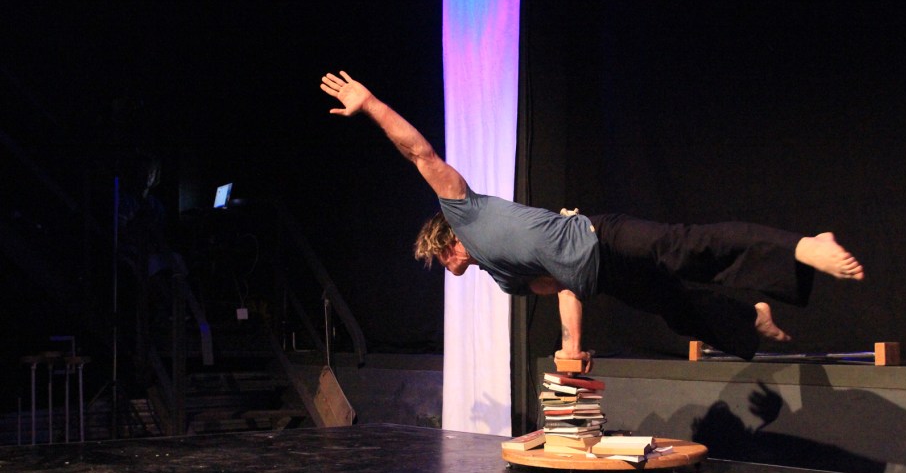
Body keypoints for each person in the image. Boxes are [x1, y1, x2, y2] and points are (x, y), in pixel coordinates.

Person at [320, 70, 864, 371]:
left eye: (439, 259)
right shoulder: (503, 275)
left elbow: (420, 153)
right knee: (676, 308)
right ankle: (752, 319)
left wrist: (370, 105)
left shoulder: (464, 211)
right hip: (604, 276)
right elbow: (564, 285)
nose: (444, 267)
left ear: (446, 243)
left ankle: (803, 246)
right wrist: (571, 348)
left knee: (686, 248)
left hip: (602, 235)